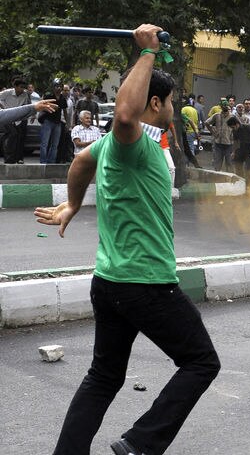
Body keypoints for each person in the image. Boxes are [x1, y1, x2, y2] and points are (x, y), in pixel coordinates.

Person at [34, 24, 220, 455]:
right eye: (170, 100)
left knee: (104, 376)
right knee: (201, 361)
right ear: (155, 102)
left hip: (111, 282)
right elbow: (122, 116)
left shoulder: (122, 147)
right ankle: (139, 444)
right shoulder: (129, 140)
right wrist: (148, 52)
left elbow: (81, 161)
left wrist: (74, 203)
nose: (174, 106)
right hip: (146, 283)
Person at [0, 77, 33, 164]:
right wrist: (3, 107)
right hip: (7, 117)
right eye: (20, 87)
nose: (22, 89)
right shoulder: (7, 93)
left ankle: (16, 158)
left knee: (17, 139)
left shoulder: (25, 94)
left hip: (17, 119)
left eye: (23, 87)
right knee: (12, 134)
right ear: (15, 86)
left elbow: (27, 105)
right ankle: (8, 158)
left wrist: (31, 115)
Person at [40, 82, 69, 164]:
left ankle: (51, 162)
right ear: (53, 87)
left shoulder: (62, 98)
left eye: (60, 86)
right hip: (48, 121)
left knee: (55, 145)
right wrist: (51, 106)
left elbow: (65, 111)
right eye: (57, 86)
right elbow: (42, 106)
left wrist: (67, 123)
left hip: (57, 123)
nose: (58, 88)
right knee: (44, 143)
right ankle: (43, 161)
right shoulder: (49, 96)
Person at [228, 116, 250, 187]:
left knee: (249, 167)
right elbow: (235, 141)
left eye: (233, 127)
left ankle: (249, 184)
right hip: (241, 148)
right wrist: (234, 152)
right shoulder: (234, 130)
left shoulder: (247, 127)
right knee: (237, 164)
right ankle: (240, 181)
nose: (232, 129)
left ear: (237, 124)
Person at [206, 102, 234, 172]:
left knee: (229, 163)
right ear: (221, 106)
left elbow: (239, 126)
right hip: (218, 143)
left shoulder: (233, 116)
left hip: (229, 143)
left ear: (228, 106)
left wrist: (233, 135)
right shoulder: (217, 115)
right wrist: (212, 132)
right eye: (223, 105)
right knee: (217, 163)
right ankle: (217, 179)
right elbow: (207, 123)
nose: (225, 107)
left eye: (226, 105)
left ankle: (229, 180)